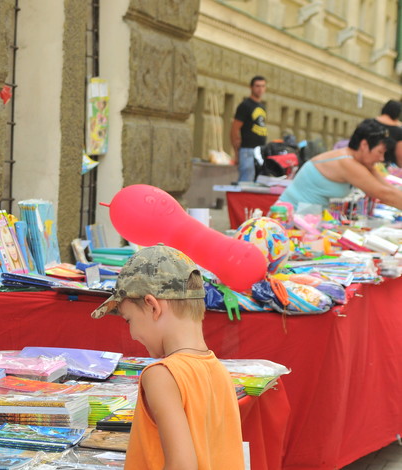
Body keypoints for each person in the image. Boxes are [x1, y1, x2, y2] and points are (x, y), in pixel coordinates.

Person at [90, 245, 243, 470]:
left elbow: (182, 465)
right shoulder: (218, 370)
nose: (132, 334)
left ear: (153, 306)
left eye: (128, 320)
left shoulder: (162, 375)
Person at [278, 118, 402, 211]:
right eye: (380, 152)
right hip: (287, 218)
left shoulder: (357, 160)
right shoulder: (347, 162)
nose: (381, 158)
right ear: (364, 145)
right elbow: (384, 193)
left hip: (306, 217)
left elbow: (387, 187)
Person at [231, 76, 268, 182]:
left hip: (259, 151)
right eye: (257, 86)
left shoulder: (262, 106)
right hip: (247, 150)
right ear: (251, 87)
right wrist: (236, 152)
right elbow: (234, 129)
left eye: (263, 86)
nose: (260, 89)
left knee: (256, 181)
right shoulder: (245, 105)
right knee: (245, 181)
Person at [375, 100, 402, 167]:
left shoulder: (369, 123)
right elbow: (400, 155)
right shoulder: (399, 131)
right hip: (388, 167)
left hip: (368, 163)